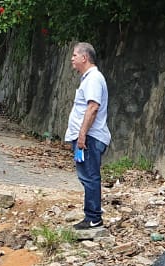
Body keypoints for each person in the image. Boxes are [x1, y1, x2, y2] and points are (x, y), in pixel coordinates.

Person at [64, 42, 111, 230]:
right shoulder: (89, 78)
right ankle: (91, 215)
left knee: (90, 176)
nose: (72, 59)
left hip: (90, 137)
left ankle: (93, 217)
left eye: (74, 55)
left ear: (84, 57)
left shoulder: (93, 79)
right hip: (87, 137)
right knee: (87, 176)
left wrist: (82, 135)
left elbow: (93, 107)